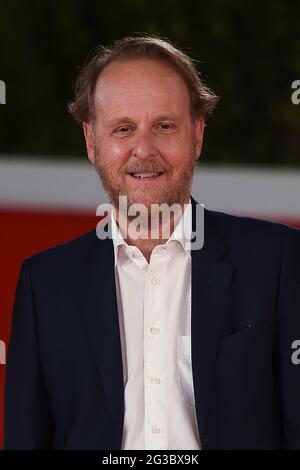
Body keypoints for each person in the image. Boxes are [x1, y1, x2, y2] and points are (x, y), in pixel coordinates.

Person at [4, 34, 300, 450]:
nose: (144, 150)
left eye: (164, 126)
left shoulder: (279, 262)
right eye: (123, 129)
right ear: (92, 141)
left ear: (197, 134)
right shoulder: (45, 283)